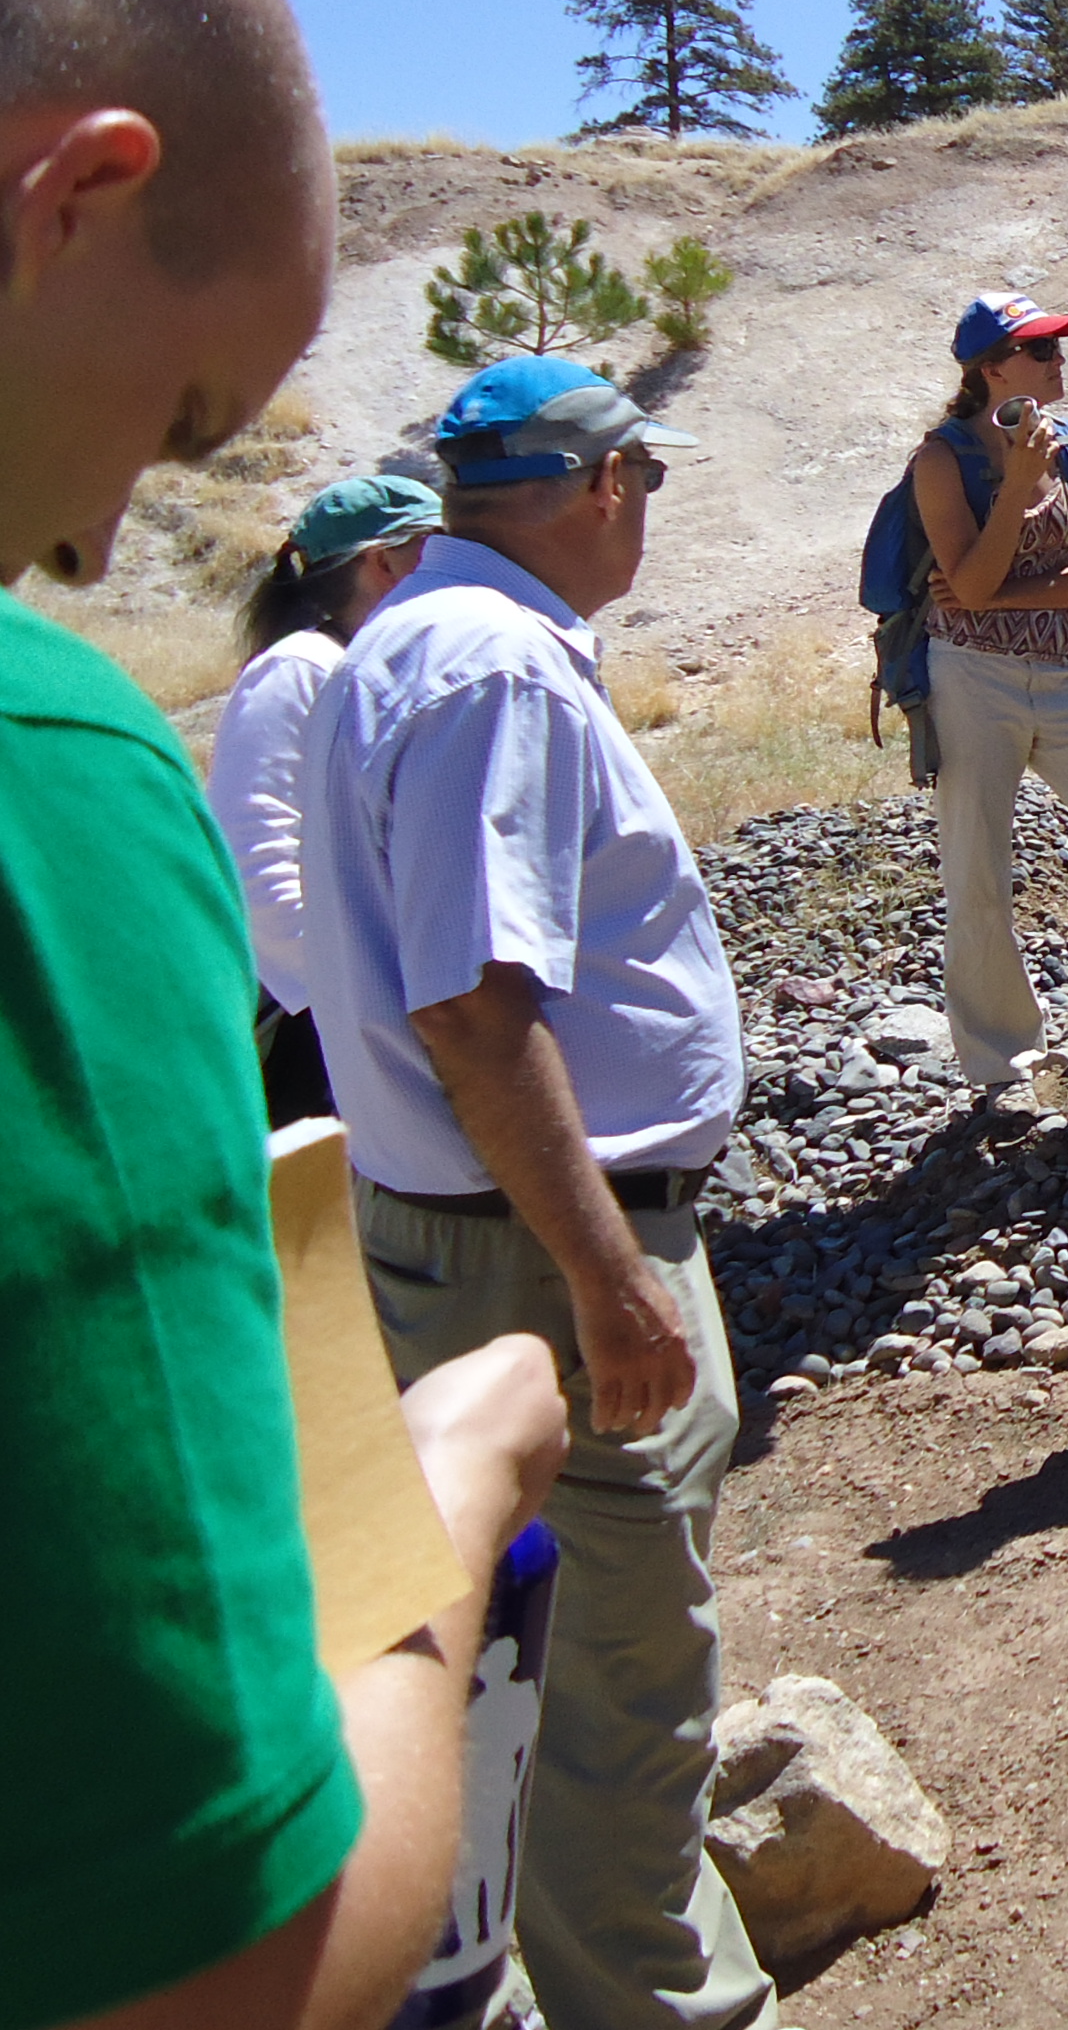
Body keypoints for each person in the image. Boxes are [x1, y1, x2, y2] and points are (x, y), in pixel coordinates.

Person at [0, 0, 566, 2030]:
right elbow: (233, 1959)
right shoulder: (48, 790)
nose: (91, 532)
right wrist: (434, 1518)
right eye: (174, 411)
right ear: (76, 194)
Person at [305, 356, 780, 2030]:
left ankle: (536, 1971)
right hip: (542, 1252)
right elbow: (473, 1006)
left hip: (488, 1234)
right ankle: (653, 2004)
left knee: (520, 1667)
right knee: (619, 1688)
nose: (647, 516)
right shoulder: (497, 669)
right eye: (642, 485)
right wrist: (609, 1277)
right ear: (599, 484)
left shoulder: (408, 642)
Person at [913, 289, 1068, 1107]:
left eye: (1056, 348)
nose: (1057, 361)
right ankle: (1001, 1062)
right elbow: (969, 580)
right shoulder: (940, 459)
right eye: (1041, 350)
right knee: (977, 865)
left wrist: (996, 595)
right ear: (991, 368)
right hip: (970, 679)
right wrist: (1015, 484)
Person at [207, 474, 440, 1122]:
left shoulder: (370, 666)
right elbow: (255, 856)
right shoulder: (301, 669)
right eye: (433, 545)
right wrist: (358, 1008)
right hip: (316, 1030)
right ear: (384, 561)